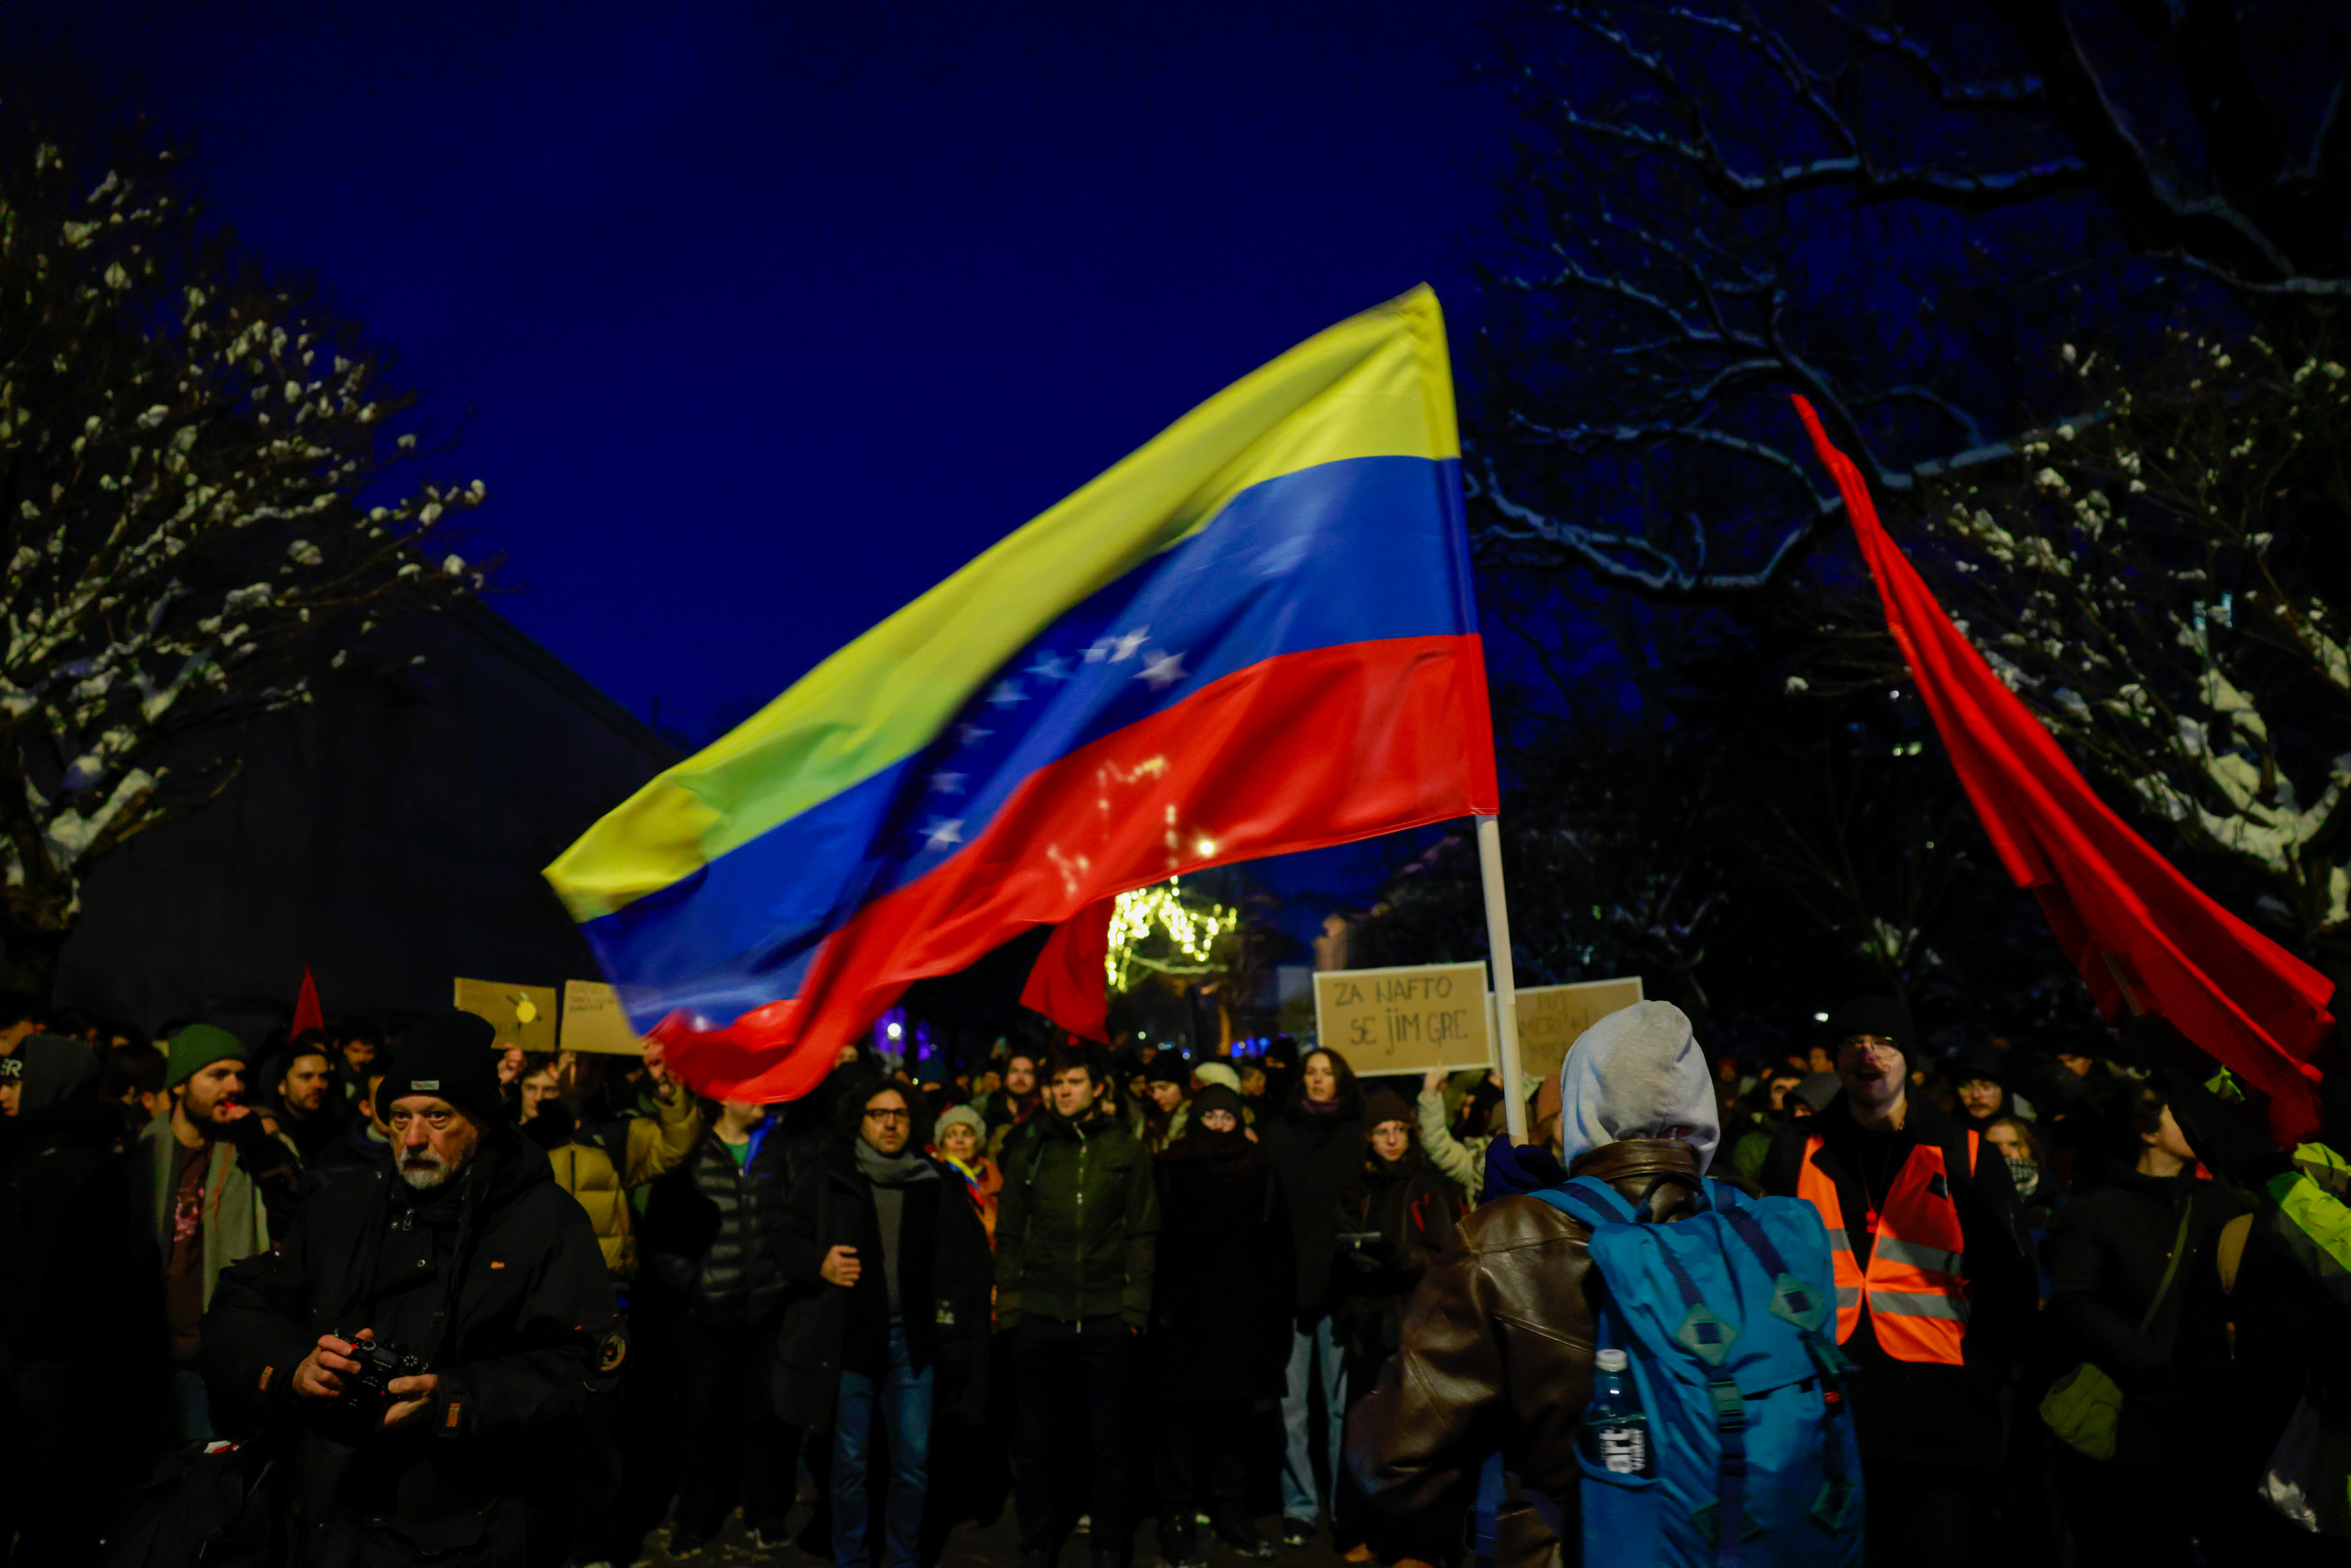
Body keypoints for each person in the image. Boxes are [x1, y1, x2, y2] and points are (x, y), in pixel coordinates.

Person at [201, 1011, 617, 1567]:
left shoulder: (545, 1222)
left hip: (465, 1529)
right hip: (327, 1519)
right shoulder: (341, 1207)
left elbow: (583, 1367)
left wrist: (451, 1399)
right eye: (399, 1118)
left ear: (483, 1121)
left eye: (437, 1117)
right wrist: (295, 1368)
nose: (414, 1139)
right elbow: (244, 1304)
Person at [1347, 1001, 1722, 1568]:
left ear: (1583, 1104)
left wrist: (1495, 1246)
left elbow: (1389, 1456)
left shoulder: (1504, 1242)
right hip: (1729, 1540)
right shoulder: (1753, 1226)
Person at [1760, 997, 2030, 1568]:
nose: (1869, 1055)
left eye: (1884, 1043)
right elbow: (1766, 1272)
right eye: (1853, 1044)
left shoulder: (1966, 1153)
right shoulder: (1796, 1151)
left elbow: (2010, 1285)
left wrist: (1981, 1379)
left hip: (1941, 1429)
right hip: (1829, 1423)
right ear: (1835, 1061)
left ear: (1909, 1059)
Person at [772, 1077, 993, 1568]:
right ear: (860, 1120)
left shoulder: (934, 1181)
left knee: (912, 1464)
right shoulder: (831, 1175)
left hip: (913, 1345)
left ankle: (902, 1558)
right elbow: (784, 1236)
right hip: (850, 1341)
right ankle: (851, 1558)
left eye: (899, 1114)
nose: (890, 1123)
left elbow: (965, 1261)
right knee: (850, 1465)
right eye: (878, 1114)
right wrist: (819, 1263)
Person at [2045, 1080, 2249, 1563]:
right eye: (2180, 1115)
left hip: (2216, 1407)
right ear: (2147, 1132)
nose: (2196, 1126)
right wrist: (2152, 1359)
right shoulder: (2099, 1208)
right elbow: (2075, 1297)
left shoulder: (2223, 1204)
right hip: (2135, 1410)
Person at [0, 1036, 170, 1564]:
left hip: (50, 1385)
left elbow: (70, 1290)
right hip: (30, 1376)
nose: (4, 1093)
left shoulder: (81, 1168)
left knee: (46, 1523)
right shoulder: (24, 1152)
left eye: (15, 1082)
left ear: (50, 1086)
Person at [996, 1041, 1160, 1568]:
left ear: (1098, 1089)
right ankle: (1038, 1542)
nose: (1063, 1092)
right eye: (1056, 1083)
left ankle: (1109, 1544)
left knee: (1108, 1443)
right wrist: (1013, 1306)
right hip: (1039, 1316)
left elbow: (1143, 1231)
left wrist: (1132, 1309)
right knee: (1035, 1443)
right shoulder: (1030, 1149)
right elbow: (1010, 1232)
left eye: (1073, 1082)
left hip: (1106, 1315)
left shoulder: (1125, 1150)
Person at [126, 1022, 300, 1445]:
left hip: (223, 1355)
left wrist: (260, 1148)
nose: (234, 1086)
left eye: (240, 1075)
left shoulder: (256, 1147)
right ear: (181, 1084)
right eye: (218, 1075)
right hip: (151, 1357)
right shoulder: (143, 1152)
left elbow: (296, 1217)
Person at [639, 1091, 799, 1553]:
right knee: (699, 1419)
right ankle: (694, 1517)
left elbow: (791, 1218)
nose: (763, 1096)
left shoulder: (777, 1148)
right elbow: (662, 1232)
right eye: (750, 1088)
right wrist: (694, 1285)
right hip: (704, 1315)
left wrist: (780, 1280)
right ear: (726, 1097)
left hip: (763, 1310)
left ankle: (764, 1514)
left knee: (761, 1418)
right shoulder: (691, 1151)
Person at [1149, 1083, 1291, 1567]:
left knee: (1234, 1429)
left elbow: (1279, 1255)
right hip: (1182, 1323)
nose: (1217, 1127)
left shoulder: (1261, 1176)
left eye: (1226, 1118)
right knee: (1178, 1430)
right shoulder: (1170, 1171)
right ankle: (1176, 1520)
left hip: (1240, 1323)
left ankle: (1232, 1514)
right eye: (1209, 1118)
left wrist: (1274, 1322)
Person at [1331, 1089, 1464, 1563]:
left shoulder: (1429, 1186)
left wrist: (1398, 1256)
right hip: (1370, 1322)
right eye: (1383, 1132)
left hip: (1415, 1321)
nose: (1391, 1140)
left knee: (1415, 1437)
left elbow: (1445, 1257)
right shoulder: (1359, 1187)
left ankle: (1420, 1542)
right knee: (1367, 1432)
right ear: (1369, 1138)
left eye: (1399, 1131)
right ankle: (1370, 1529)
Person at [1258, 1045, 1365, 1546]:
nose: (1319, 1080)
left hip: (1340, 1288)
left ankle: (1344, 1504)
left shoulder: (1355, 1136)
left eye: (1327, 1072)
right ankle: (1300, 1504)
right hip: (1289, 1287)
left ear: (1342, 1080)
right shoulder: (1280, 1136)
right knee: (1292, 1408)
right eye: (1311, 1072)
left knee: (1342, 1409)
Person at [268, 1029, 347, 1160]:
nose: (318, 1085)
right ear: (283, 1086)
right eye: (307, 1077)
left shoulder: (341, 1128)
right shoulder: (270, 1131)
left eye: (323, 1077)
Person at [933, 1102, 1003, 1240]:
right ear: (942, 1143)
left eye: (967, 1134)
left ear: (978, 1141)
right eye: (951, 1135)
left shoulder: (993, 1177)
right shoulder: (934, 1178)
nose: (960, 1140)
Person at [984, 1049, 1042, 1154]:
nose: (1020, 1077)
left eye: (1028, 1072)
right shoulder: (989, 1111)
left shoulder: (1041, 1114)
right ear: (1005, 1078)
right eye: (1015, 1071)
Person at [1141, 1057, 1191, 1153]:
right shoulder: (1150, 1117)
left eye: (1163, 1088)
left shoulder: (1196, 1122)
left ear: (1181, 1087)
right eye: (1152, 1089)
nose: (1156, 1096)